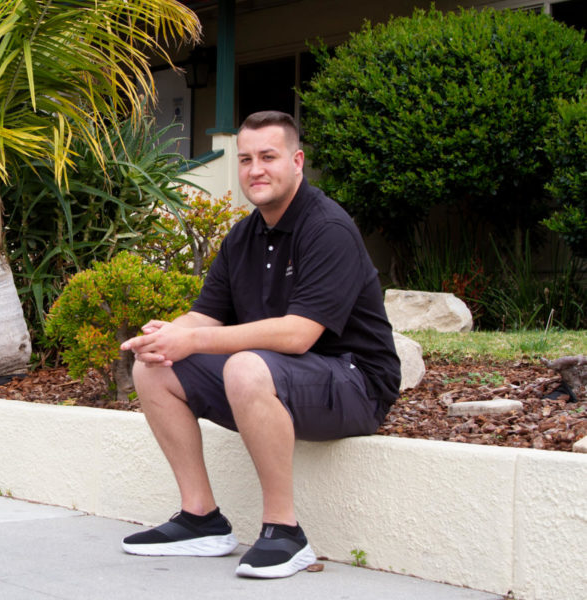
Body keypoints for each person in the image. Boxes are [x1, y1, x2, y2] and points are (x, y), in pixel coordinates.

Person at [118, 110, 400, 579]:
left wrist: (195, 338)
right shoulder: (243, 236)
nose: (255, 169)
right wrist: (166, 335)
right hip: (283, 379)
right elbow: (206, 314)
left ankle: (284, 532)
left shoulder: (326, 228)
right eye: (246, 159)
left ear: (297, 161)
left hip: (355, 384)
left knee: (245, 366)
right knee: (156, 368)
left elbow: (298, 334)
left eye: (268, 156)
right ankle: (201, 519)